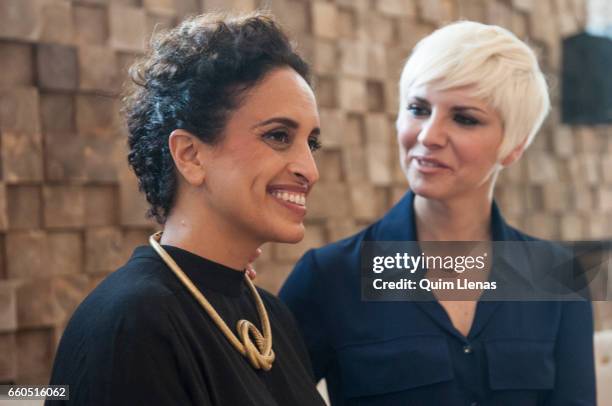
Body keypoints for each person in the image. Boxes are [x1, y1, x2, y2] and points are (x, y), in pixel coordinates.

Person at [280, 21, 596, 405]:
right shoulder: (328, 278)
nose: (428, 135)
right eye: (418, 109)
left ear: (514, 146)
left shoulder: (558, 279)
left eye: (464, 118)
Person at [47, 12, 325, 406]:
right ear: (191, 155)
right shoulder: (132, 322)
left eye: (311, 143)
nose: (308, 169)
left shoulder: (271, 315)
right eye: (278, 136)